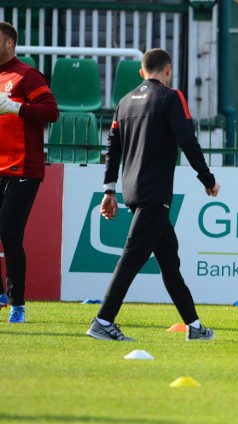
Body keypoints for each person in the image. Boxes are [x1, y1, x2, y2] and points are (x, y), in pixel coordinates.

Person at [86, 48, 220, 342]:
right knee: (132, 258)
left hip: (133, 191)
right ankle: (103, 320)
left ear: (141, 72)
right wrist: (207, 178)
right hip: (155, 193)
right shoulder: (171, 97)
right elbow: (187, 139)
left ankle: (194, 326)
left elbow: (113, 151)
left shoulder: (123, 103)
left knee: (169, 261)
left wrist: (109, 191)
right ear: (168, 70)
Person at [0, 22, 59, 324]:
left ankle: (17, 303)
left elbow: (51, 111)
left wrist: (16, 108)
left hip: (22, 167)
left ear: (9, 42)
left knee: (9, 232)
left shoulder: (26, 75)